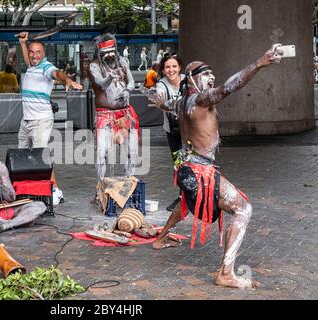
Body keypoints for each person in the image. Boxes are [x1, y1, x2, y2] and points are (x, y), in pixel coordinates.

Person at [150, 45, 283, 288]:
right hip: (200, 171)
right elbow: (230, 87)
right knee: (244, 209)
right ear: (191, 79)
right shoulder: (201, 99)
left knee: (186, 201)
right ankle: (225, 273)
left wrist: (158, 101)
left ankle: (160, 238)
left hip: (185, 169)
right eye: (205, 74)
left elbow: (165, 105)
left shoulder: (181, 102)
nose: (211, 77)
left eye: (212, 74)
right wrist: (260, 62)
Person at [16, 32, 83, 205]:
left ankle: (54, 190)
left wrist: (67, 80)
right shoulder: (32, 66)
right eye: (31, 52)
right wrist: (23, 43)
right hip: (26, 121)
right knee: (23, 157)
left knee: (41, 158)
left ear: (43, 54)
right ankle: (30, 189)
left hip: (41, 121)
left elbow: (57, 73)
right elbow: (27, 60)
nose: (34, 55)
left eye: (38, 52)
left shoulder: (46, 67)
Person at [89, 33, 139, 183]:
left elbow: (131, 82)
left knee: (132, 152)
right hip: (105, 116)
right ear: (100, 52)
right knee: (102, 153)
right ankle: (101, 188)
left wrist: (127, 90)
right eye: (106, 53)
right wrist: (110, 76)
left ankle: (128, 183)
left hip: (125, 114)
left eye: (112, 51)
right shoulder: (94, 66)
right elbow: (101, 84)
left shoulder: (122, 61)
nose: (110, 55)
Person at [155, 54, 184, 211]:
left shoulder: (188, 80)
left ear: (179, 67)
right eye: (167, 67)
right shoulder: (162, 84)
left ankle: (190, 197)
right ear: (163, 70)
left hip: (191, 130)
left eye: (174, 66)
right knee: (178, 164)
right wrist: (158, 99)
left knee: (191, 163)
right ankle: (182, 198)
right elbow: (159, 97)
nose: (171, 70)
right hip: (173, 131)